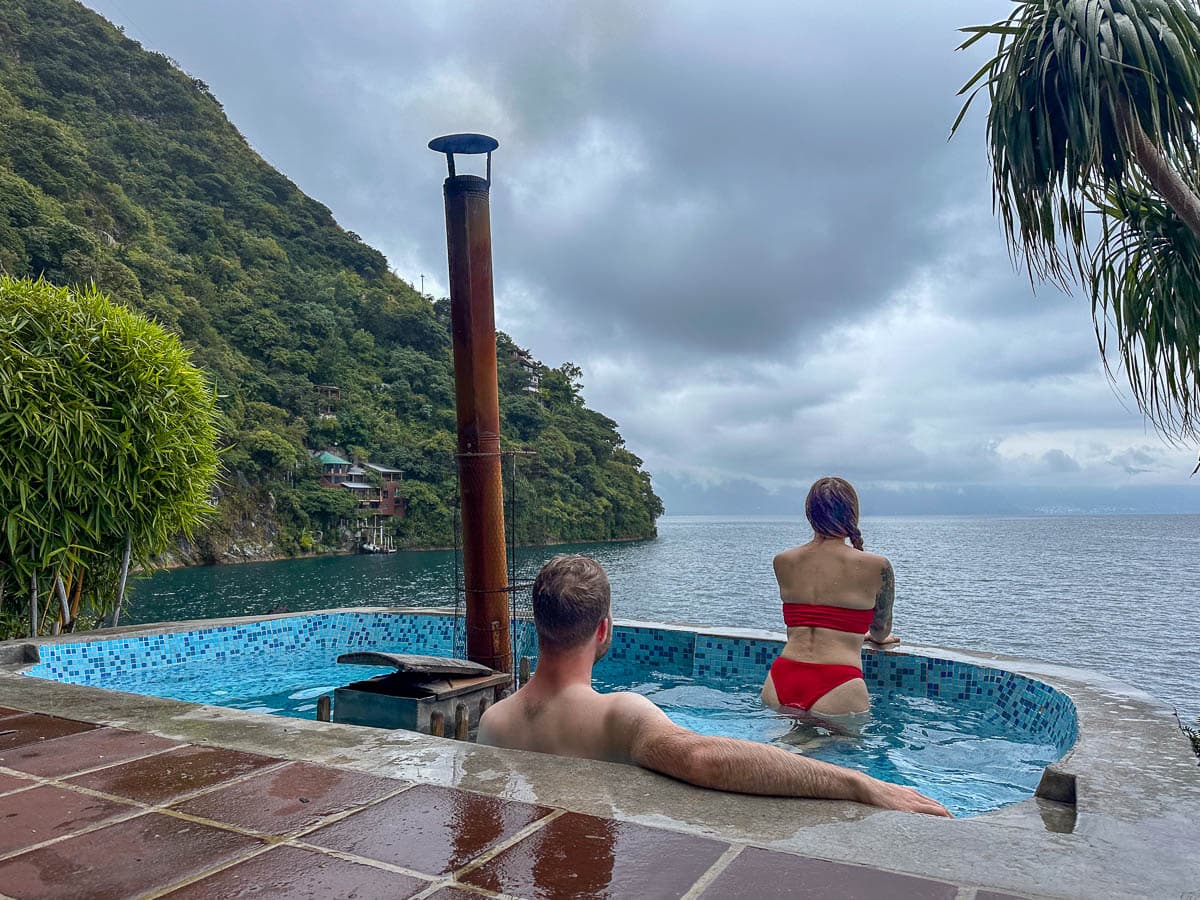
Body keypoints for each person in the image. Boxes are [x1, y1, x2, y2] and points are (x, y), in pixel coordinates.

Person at [478, 554, 949, 816]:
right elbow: (702, 758)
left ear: (538, 625)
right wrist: (857, 783)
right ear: (603, 629)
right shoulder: (615, 715)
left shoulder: (494, 722)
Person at [761, 476, 897, 718]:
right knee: (830, 755)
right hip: (839, 685)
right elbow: (881, 630)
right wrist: (873, 637)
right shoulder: (877, 566)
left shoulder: (783, 561)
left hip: (781, 677)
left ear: (809, 514)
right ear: (852, 514)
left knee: (782, 751)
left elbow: (814, 617)